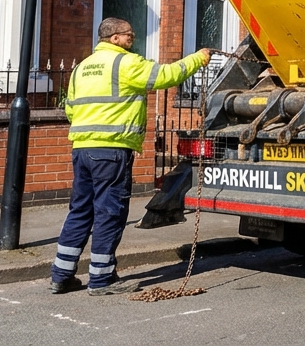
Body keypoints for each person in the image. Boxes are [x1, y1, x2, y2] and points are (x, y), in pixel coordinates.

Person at [50, 18, 211, 295]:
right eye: (129, 35)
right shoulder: (124, 63)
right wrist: (198, 58)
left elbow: (71, 111)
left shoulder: (81, 69)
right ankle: (101, 279)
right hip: (112, 151)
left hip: (82, 149)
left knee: (80, 210)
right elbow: (166, 76)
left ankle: (61, 275)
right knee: (109, 212)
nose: (131, 40)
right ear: (113, 38)